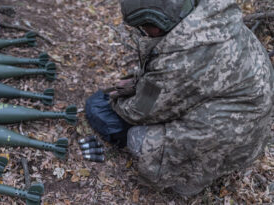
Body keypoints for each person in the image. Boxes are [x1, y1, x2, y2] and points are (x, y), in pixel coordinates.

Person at [107, 0, 274, 195]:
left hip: (235, 141)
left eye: (145, 27)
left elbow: (140, 112)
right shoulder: (211, 17)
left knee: (137, 138)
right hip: (251, 128)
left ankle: (188, 182)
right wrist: (138, 84)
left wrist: (116, 101)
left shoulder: (179, 61)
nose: (143, 32)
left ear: (158, 23)